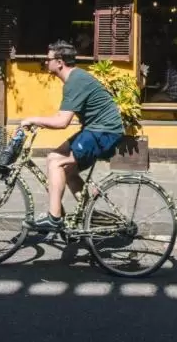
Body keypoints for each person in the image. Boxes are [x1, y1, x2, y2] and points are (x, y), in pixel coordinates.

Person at [20, 40, 126, 232]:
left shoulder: (75, 81)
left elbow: (62, 122)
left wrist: (33, 120)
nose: (46, 62)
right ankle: (86, 213)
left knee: (57, 162)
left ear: (59, 62)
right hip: (97, 129)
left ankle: (54, 218)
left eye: (48, 59)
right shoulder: (75, 79)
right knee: (59, 162)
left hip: (104, 131)